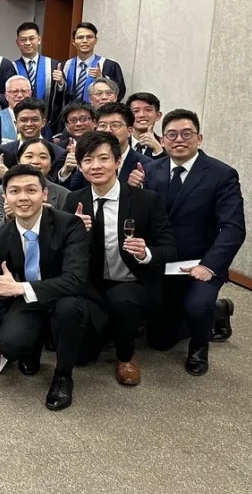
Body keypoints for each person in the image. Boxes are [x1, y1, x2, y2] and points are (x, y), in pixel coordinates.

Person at [64, 132, 177, 385]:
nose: (96, 166)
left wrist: (145, 253)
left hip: (131, 281)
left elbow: (169, 248)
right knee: (82, 358)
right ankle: (103, 331)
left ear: (117, 162)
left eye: (103, 158)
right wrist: (71, 232)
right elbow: (59, 250)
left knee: (122, 301)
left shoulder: (145, 200)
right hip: (91, 283)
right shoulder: (74, 200)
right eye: (88, 160)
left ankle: (126, 357)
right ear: (80, 166)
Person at [0, 165, 106, 411]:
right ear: (5, 197)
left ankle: (63, 376)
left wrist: (21, 288)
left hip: (69, 298)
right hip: (31, 301)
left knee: (67, 311)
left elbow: (74, 280)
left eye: (31, 190)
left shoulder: (69, 225)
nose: (23, 197)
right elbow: (0, 288)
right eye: (15, 191)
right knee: (10, 344)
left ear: (44, 194)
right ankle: (32, 345)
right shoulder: (1, 235)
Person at [143, 109, 245, 375]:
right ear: (162, 140)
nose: (179, 140)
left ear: (199, 138)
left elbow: (233, 228)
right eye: (172, 135)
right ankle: (217, 312)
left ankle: (200, 343)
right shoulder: (151, 171)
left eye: (186, 134)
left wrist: (209, 266)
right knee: (158, 341)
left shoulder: (222, 174)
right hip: (164, 262)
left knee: (197, 306)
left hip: (201, 263)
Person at [0, 138, 70, 230]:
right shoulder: (2, 190)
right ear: (18, 161)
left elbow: (67, 231)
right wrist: (9, 218)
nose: (35, 161)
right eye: (29, 156)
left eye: (43, 157)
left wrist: (52, 216)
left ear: (51, 164)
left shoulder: (63, 194)